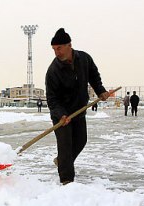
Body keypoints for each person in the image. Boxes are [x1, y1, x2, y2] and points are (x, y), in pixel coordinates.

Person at [45, 28, 111, 185]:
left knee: (81, 141)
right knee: (65, 145)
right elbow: (52, 99)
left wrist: (100, 91)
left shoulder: (84, 59)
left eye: (59, 48)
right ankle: (67, 180)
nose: (57, 52)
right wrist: (61, 115)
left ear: (69, 45)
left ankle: (62, 161)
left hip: (79, 111)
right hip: (61, 115)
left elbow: (94, 75)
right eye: (54, 49)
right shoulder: (53, 71)